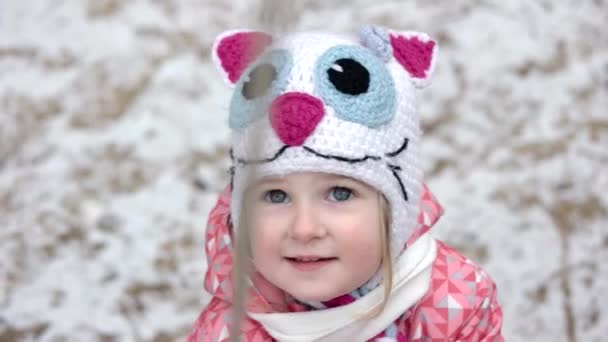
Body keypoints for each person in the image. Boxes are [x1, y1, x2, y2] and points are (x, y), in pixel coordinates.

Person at [188, 25, 504, 341]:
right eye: (276, 195)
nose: (304, 229)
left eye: (340, 193)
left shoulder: (453, 302)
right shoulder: (228, 331)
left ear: (396, 210)